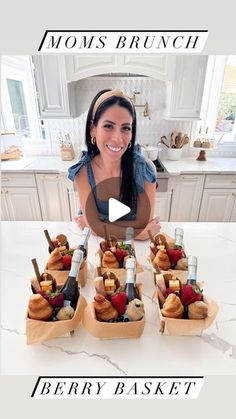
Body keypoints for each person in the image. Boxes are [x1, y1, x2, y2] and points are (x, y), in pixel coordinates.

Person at [68, 88, 161, 240]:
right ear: (93, 129)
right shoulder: (83, 172)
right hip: (96, 244)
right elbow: (142, 231)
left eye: (125, 128)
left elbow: (144, 223)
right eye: (108, 126)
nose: (118, 138)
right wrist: (135, 232)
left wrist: (99, 224)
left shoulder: (145, 169)